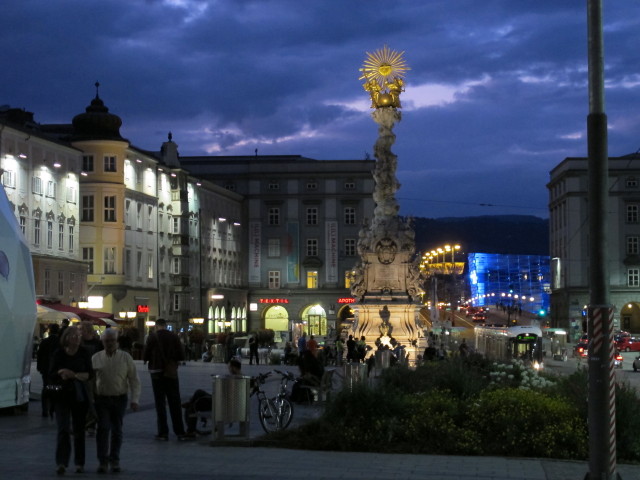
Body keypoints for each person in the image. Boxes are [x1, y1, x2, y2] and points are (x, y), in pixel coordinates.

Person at [92, 328, 140, 473]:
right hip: (102, 399)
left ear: (117, 341)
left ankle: (114, 459)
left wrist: (135, 399)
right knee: (103, 429)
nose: (110, 343)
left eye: (112, 340)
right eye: (107, 341)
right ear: (102, 342)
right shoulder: (96, 357)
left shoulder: (125, 357)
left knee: (117, 430)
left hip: (120, 398)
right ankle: (102, 461)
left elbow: (134, 380)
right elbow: (91, 380)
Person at [49, 326, 93, 475]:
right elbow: (52, 373)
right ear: (66, 337)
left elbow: (89, 374)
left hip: (79, 396)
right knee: (63, 429)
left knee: (79, 430)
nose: (76, 338)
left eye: (78, 336)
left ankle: (79, 463)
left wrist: (73, 374)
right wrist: (61, 372)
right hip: (61, 396)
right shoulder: (59, 353)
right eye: (73, 336)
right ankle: (61, 462)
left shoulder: (83, 353)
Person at [143, 318, 188, 441]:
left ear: (156, 326)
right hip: (170, 372)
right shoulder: (173, 336)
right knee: (174, 401)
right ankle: (179, 431)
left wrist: (146, 359)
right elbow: (181, 353)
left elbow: (146, 352)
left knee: (160, 402)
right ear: (165, 325)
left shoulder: (152, 337)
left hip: (156, 372)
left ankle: (163, 432)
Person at [181, 358, 242, 437]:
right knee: (199, 392)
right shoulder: (239, 377)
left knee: (195, 401)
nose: (229, 369)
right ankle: (190, 403)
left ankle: (190, 431)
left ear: (234, 368)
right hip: (222, 401)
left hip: (220, 403)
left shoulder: (234, 378)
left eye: (229, 367)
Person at [79, 321, 103, 436]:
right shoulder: (79, 342)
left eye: (81, 329)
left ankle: (91, 423)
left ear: (87, 330)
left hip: (93, 375)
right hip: (80, 374)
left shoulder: (97, 343)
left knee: (91, 399)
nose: (79, 332)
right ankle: (83, 423)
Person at [37, 323, 60, 417]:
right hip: (56, 370)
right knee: (55, 387)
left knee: (45, 387)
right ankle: (53, 407)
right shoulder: (60, 342)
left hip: (45, 369)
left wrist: (39, 367)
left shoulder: (45, 341)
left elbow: (39, 354)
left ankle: (44, 409)